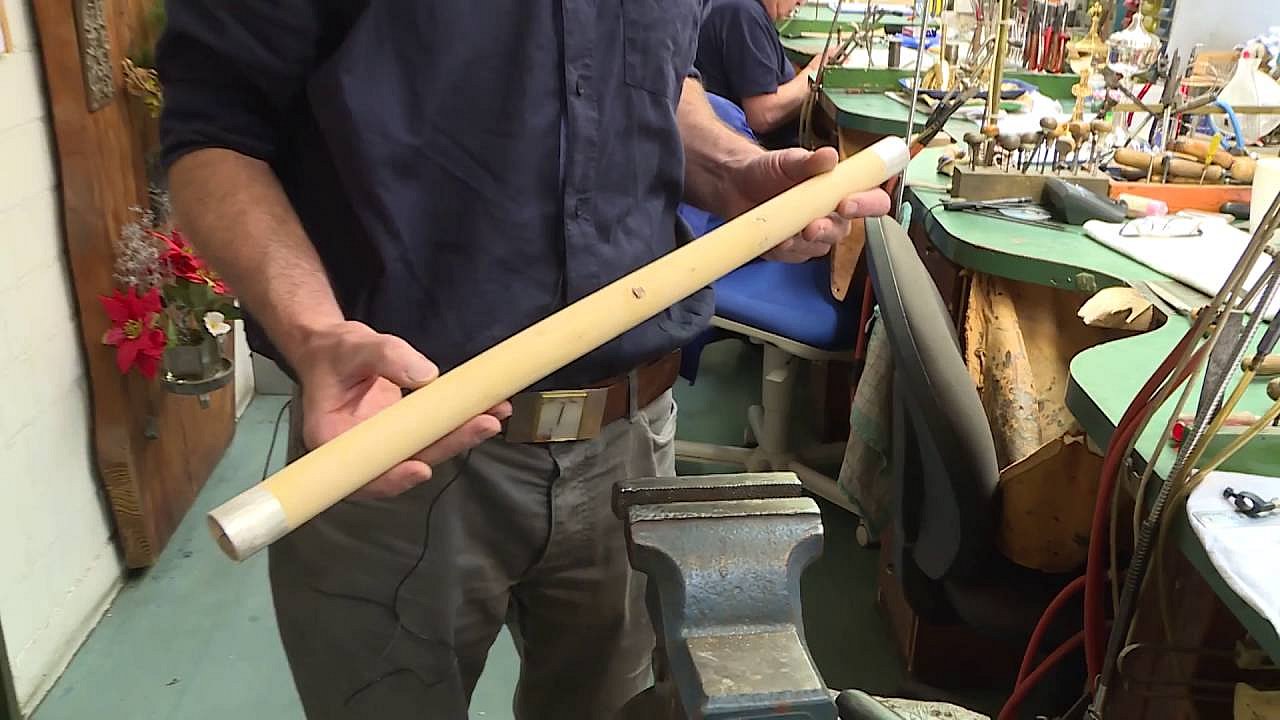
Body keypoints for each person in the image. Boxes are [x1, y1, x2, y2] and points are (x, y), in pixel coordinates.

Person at [156, 3, 889, 719]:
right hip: (398, 445)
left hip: (629, 436)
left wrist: (733, 171)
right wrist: (313, 331)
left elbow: (662, 79)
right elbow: (214, 134)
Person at [696, 0, 833, 149]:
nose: (801, 2)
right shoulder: (744, 15)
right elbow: (763, 115)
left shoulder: (745, 10)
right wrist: (814, 72)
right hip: (760, 151)